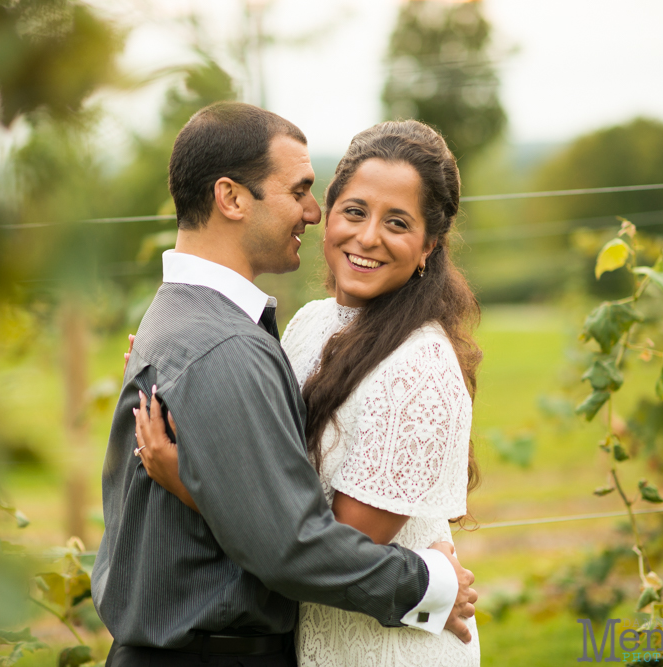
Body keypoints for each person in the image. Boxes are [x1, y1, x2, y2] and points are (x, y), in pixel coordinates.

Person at [91, 102, 477, 667]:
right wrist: (430, 582)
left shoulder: (417, 364)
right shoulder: (298, 328)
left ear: (428, 248)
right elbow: (288, 536)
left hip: (376, 642)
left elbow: (302, 542)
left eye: (398, 223)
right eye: (347, 208)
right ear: (231, 198)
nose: (314, 214)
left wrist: (192, 483)